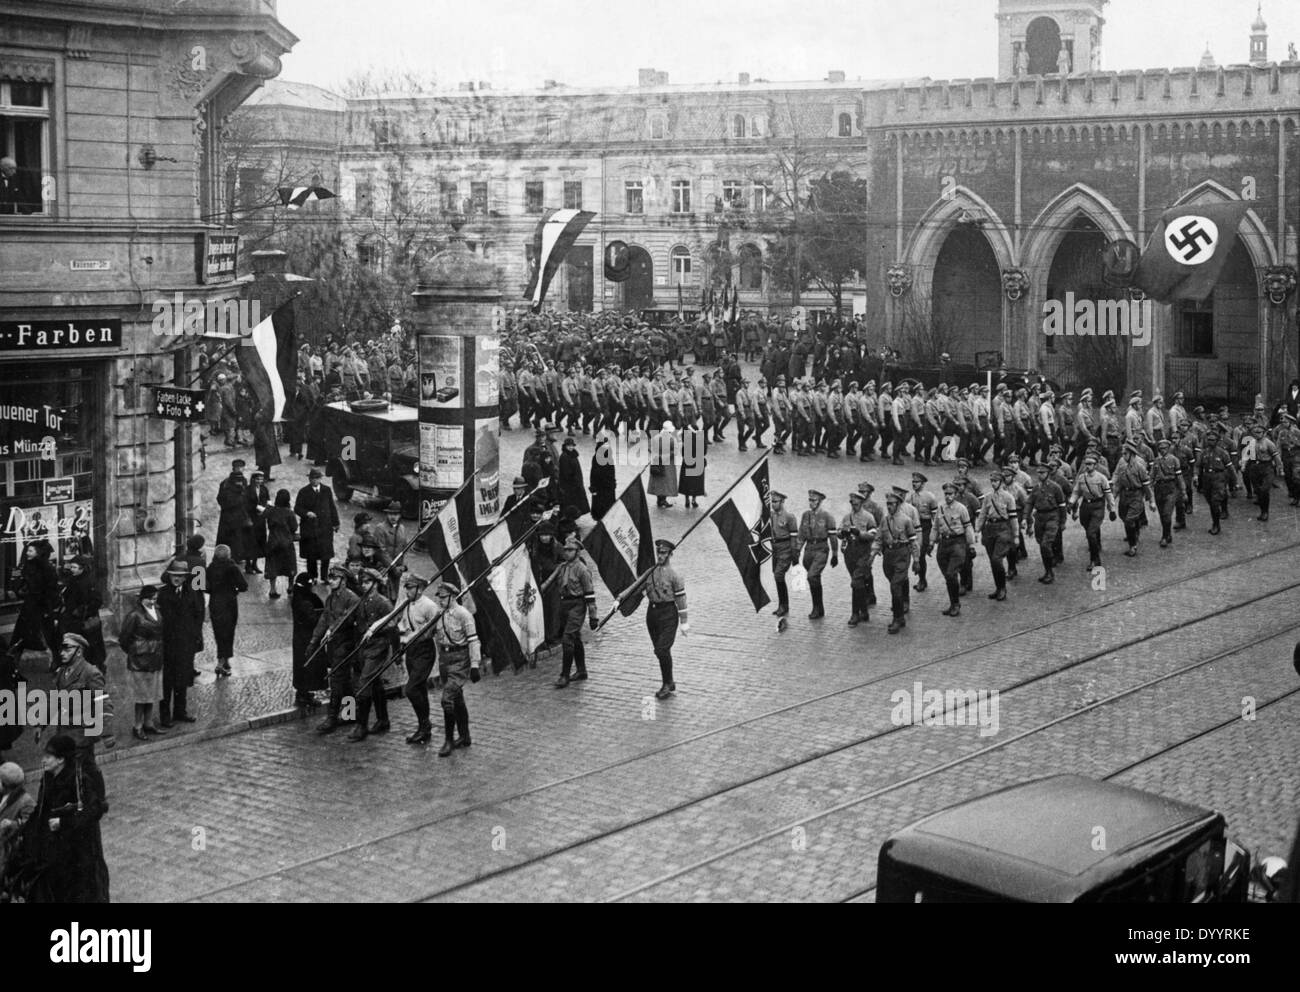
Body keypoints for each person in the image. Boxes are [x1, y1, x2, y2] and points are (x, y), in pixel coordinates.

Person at [16, 734, 110, 903]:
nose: (43, 761)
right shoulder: (48, 777)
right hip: (54, 846)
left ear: (60, 760)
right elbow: (42, 809)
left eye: (48, 757)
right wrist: (24, 828)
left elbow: (95, 810)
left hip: (77, 849)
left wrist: (63, 822)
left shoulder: (79, 779)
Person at [430, 579, 481, 757]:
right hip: (445, 659)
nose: (440, 601)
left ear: (452, 597)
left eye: (443, 598)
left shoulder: (464, 615)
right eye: (439, 598)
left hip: (460, 659)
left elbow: (473, 640)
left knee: (447, 699)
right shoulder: (439, 614)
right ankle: (465, 736)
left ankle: (449, 740)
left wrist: (474, 665)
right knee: (457, 698)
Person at [48, 633, 111, 761]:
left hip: (81, 735)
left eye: (67, 649)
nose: (62, 653)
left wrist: (108, 734)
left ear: (78, 652)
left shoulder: (90, 673)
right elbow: (55, 700)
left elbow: (102, 702)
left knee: (81, 772)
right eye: (62, 649)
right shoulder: (61, 672)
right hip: (63, 733)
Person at [350, 568, 394, 742]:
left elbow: (393, 625)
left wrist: (376, 629)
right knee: (374, 683)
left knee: (363, 684)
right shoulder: (362, 602)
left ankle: (361, 726)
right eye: (363, 582)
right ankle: (383, 719)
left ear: (376, 584)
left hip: (378, 648)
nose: (364, 585)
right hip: (363, 648)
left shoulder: (383, 603)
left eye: (368, 582)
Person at [395, 573, 440, 744]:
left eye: (411, 588)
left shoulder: (429, 606)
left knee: (411, 689)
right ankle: (423, 728)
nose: (407, 591)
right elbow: (401, 623)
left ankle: (425, 725)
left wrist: (410, 638)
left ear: (420, 589)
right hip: (410, 650)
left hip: (424, 650)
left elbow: (429, 632)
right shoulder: (407, 604)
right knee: (419, 688)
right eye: (406, 588)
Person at [157, 558, 202, 726]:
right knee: (167, 681)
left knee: (182, 678)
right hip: (168, 644)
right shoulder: (162, 594)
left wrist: (195, 637)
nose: (177, 578)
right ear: (169, 576)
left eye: (180, 576)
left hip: (185, 644)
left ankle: (180, 711)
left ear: (185, 578)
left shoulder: (192, 593)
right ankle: (165, 715)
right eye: (174, 575)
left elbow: (198, 615)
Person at [118, 586, 166, 741]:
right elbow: (124, 639)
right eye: (150, 599)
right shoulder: (134, 615)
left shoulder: (157, 611)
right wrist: (136, 651)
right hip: (140, 661)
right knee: (141, 696)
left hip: (155, 658)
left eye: (155, 599)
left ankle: (148, 722)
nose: (152, 601)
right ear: (142, 598)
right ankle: (137, 725)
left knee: (151, 693)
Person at [870, 487, 920, 634]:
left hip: (902, 555)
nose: (889, 506)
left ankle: (897, 618)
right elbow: (879, 538)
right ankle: (900, 616)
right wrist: (873, 554)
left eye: (892, 504)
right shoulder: (884, 521)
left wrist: (916, 559)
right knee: (894, 584)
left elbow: (913, 541)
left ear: (898, 504)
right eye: (888, 504)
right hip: (888, 556)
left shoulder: (906, 520)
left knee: (895, 586)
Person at [551, 536, 598, 688]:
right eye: (565, 550)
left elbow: (590, 594)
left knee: (567, 639)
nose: (566, 552)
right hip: (565, 604)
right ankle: (581, 670)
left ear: (577, 552)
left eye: (570, 550)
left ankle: (564, 675)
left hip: (577, 605)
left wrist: (593, 616)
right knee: (575, 637)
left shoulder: (582, 570)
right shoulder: (564, 567)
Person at [644, 539, 689, 699]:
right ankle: (669, 681)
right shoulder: (650, 572)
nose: (660, 556)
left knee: (661, 649)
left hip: (668, 614)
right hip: (652, 614)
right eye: (659, 553)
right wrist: (620, 599)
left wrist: (684, 622)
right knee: (661, 651)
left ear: (670, 554)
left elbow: (681, 599)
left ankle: (666, 684)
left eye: (663, 553)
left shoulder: (674, 575)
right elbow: (636, 588)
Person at [13, 538, 59, 668]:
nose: (27, 553)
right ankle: (13, 663)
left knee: (48, 635)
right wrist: (20, 590)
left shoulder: (48, 569)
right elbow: (24, 585)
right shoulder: (28, 566)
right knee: (20, 634)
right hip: (29, 605)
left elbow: (52, 590)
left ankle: (56, 661)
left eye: (30, 550)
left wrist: (48, 608)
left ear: (38, 552)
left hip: (43, 606)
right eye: (27, 550)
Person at [933, 482, 976, 617]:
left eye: (951, 494)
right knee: (948, 576)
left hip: (958, 543)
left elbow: (968, 527)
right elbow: (935, 527)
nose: (948, 496)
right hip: (943, 544)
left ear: (955, 494)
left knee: (951, 574)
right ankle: (952, 603)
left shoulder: (961, 508)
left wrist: (971, 545)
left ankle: (956, 604)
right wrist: (930, 542)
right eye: (946, 494)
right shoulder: (940, 508)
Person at [976, 471, 1020, 602]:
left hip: (1003, 529)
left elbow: (1013, 518)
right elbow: (982, 515)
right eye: (992, 481)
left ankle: (1002, 589)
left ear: (1000, 482)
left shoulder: (1008, 497)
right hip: (990, 529)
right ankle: (998, 587)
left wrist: (1016, 535)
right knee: (992, 561)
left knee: (996, 559)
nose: (993, 483)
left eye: (996, 481)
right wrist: (977, 530)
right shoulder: (988, 497)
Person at [57, 556, 106, 672]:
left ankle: (93, 669)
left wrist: (81, 611)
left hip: (85, 622)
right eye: (71, 567)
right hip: (73, 620)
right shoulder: (73, 580)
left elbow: (97, 601)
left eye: (74, 567)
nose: (72, 569)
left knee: (89, 647)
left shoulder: (89, 582)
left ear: (82, 569)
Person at [206, 544, 248, 678]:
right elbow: (243, 586)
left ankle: (223, 659)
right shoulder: (232, 568)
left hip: (215, 602)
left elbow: (201, 586)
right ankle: (222, 662)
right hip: (229, 603)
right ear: (228, 555)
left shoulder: (210, 567)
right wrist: (235, 589)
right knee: (228, 632)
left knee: (219, 632)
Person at [796, 489, 839, 620]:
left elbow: (833, 536)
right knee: (814, 578)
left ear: (819, 501)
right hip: (808, 550)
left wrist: (835, 554)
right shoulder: (805, 515)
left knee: (812, 576)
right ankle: (819, 607)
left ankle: (816, 608)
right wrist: (797, 551)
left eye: (814, 500)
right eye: (810, 500)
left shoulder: (827, 516)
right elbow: (801, 534)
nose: (811, 503)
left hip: (821, 549)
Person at [839, 491, 879, 627]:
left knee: (856, 582)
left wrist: (860, 533)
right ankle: (864, 611)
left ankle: (855, 613)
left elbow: (873, 534)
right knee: (858, 583)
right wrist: (842, 533)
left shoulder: (869, 517)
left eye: (856, 503)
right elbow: (839, 532)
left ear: (861, 503)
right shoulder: (846, 517)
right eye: (851, 503)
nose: (853, 505)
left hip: (864, 552)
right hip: (850, 553)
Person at [295, 468, 340, 582]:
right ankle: (312, 576)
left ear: (320, 479)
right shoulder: (303, 491)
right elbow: (297, 508)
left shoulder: (326, 490)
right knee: (311, 555)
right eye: (312, 478)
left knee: (326, 553)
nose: (315, 481)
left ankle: (324, 576)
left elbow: (332, 507)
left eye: (317, 478)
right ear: (309, 479)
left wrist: (336, 523)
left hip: (325, 527)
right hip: (310, 528)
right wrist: (306, 513)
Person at [1113, 441, 1155, 557]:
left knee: (1129, 520)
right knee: (1123, 516)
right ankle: (1135, 531)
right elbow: (1118, 485)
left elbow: (1146, 485)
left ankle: (1133, 546)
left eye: (1125, 454)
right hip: (1124, 496)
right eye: (1122, 454)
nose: (1123, 456)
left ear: (1131, 454)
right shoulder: (1122, 467)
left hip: (1136, 495)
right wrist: (1113, 498)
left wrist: (1151, 501)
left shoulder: (1139, 467)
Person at [0, 761, 36, 893]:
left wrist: (13, 824)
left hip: (8, 851)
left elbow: (32, 824)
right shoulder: (2, 795)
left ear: (6, 784)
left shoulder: (26, 801)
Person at [291, 573, 325, 708]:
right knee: (307, 666)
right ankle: (303, 695)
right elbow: (312, 619)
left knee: (303, 666)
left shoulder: (299, 597)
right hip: (306, 639)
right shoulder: (304, 601)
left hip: (301, 638)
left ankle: (303, 693)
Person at [1029, 464, 1067, 583]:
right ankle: (1047, 571)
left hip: (1052, 516)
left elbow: (1062, 505)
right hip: (1039, 518)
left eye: (1043, 473)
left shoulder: (1056, 487)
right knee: (1041, 544)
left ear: (1048, 474)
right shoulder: (1036, 488)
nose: (1040, 475)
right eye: (1039, 473)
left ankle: (1050, 572)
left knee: (1046, 544)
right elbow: (1029, 503)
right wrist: (1026, 519)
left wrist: (1062, 522)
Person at [769, 490, 800, 619]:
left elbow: (794, 537)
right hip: (775, 548)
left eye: (775, 502)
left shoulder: (789, 517)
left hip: (785, 548)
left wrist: (795, 556)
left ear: (782, 502)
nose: (773, 504)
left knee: (778, 574)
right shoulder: (771, 515)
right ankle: (782, 604)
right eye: (772, 501)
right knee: (777, 575)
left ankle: (784, 605)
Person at [263, 489, 298, 599]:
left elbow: (264, 517)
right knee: (290, 564)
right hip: (286, 542)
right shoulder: (289, 512)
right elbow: (294, 527)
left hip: (273, 542)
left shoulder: (271, 511)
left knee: (272, 565)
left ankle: (273, 589)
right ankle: (290, 586)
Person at [216, 459, 252, 566]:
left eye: (242, 467)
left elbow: (247, 495)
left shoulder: (244, 481)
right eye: (238, 467)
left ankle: (238, 556)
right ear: (233, 468)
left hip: (240, 514)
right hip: (229, 515)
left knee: (239, 537)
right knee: (229, 536)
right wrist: (234, 502)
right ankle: (225, 556)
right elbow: (220, 498)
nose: (240, 469)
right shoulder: (226, 483)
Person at [372, 500, 407, 601]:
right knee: (383, 595)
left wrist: (402, 566)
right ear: (387, 514)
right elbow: (381, 551)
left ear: (400, 515)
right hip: (384, 568)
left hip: (397, 570)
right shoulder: (380, 528)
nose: (393, 517)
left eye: (396, 514)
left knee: (394, 596)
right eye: (391, 514)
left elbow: (404, 549)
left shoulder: (402, 528)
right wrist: (393, 567)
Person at [243, 469, 271, 574]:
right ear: (253, 479)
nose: (259, 481)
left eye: (261, 479)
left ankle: (255, 564)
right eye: (257, 479)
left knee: (259, 542)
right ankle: (248, 564)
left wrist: (267, 508)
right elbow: (245, 504)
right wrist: (257, 507)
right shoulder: (248, 490)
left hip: (260, 520)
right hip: (251, 518)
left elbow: (268, 500)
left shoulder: (264, 489)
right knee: (250, 542)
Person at [648, 420, 679, 508]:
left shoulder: (656, 437)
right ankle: (663, 500)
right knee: (666, 481)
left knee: (658, 481)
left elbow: (650, 448)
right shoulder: (672, 439)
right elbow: (675, 452)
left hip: (657, 462)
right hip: (668, 464)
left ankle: (659, 499)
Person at [557, 435, 590, 516]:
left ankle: (574, 517)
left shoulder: (573, 455)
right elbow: (566, 473)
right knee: (571, 503)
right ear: (565, 446)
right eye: (569, 446)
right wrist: (575, 481)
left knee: (576, 503)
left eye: (572, 446)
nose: (571, 447)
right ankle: (570, 518)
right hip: (570, 486)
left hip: (576, 484)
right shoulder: (564, 456)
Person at [678, 422, 707, 510]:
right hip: (698, 462)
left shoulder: (687, 438)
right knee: (696, 482)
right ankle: (694, 500)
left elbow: (683, 452)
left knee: (687, 482)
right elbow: (705, 452)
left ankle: (687, 500)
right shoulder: (701, 438)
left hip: (687, 463)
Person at [589, 434, 617, 520]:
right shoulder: (597, 458)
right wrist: (593, 487)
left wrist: (613, 482)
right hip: (600, 487)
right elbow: (594, 474)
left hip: (608, 487)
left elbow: (612, 471)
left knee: (608, 507)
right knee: (600, 507)